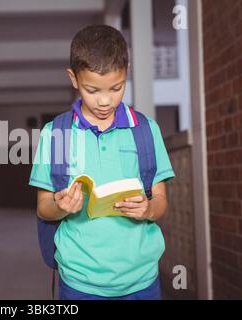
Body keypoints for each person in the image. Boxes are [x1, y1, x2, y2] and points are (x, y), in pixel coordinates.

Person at [28, 25, 175, 300]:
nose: (105, 101)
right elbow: (43, 209)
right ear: (73, 79)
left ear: (126, 74)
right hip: (80, 282)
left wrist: (147, 209)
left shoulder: (146, 130)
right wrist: (61, 207)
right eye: (92, 90)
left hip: (142, 280)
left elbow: (161, 202)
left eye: (116, 88)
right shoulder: (56, 134)